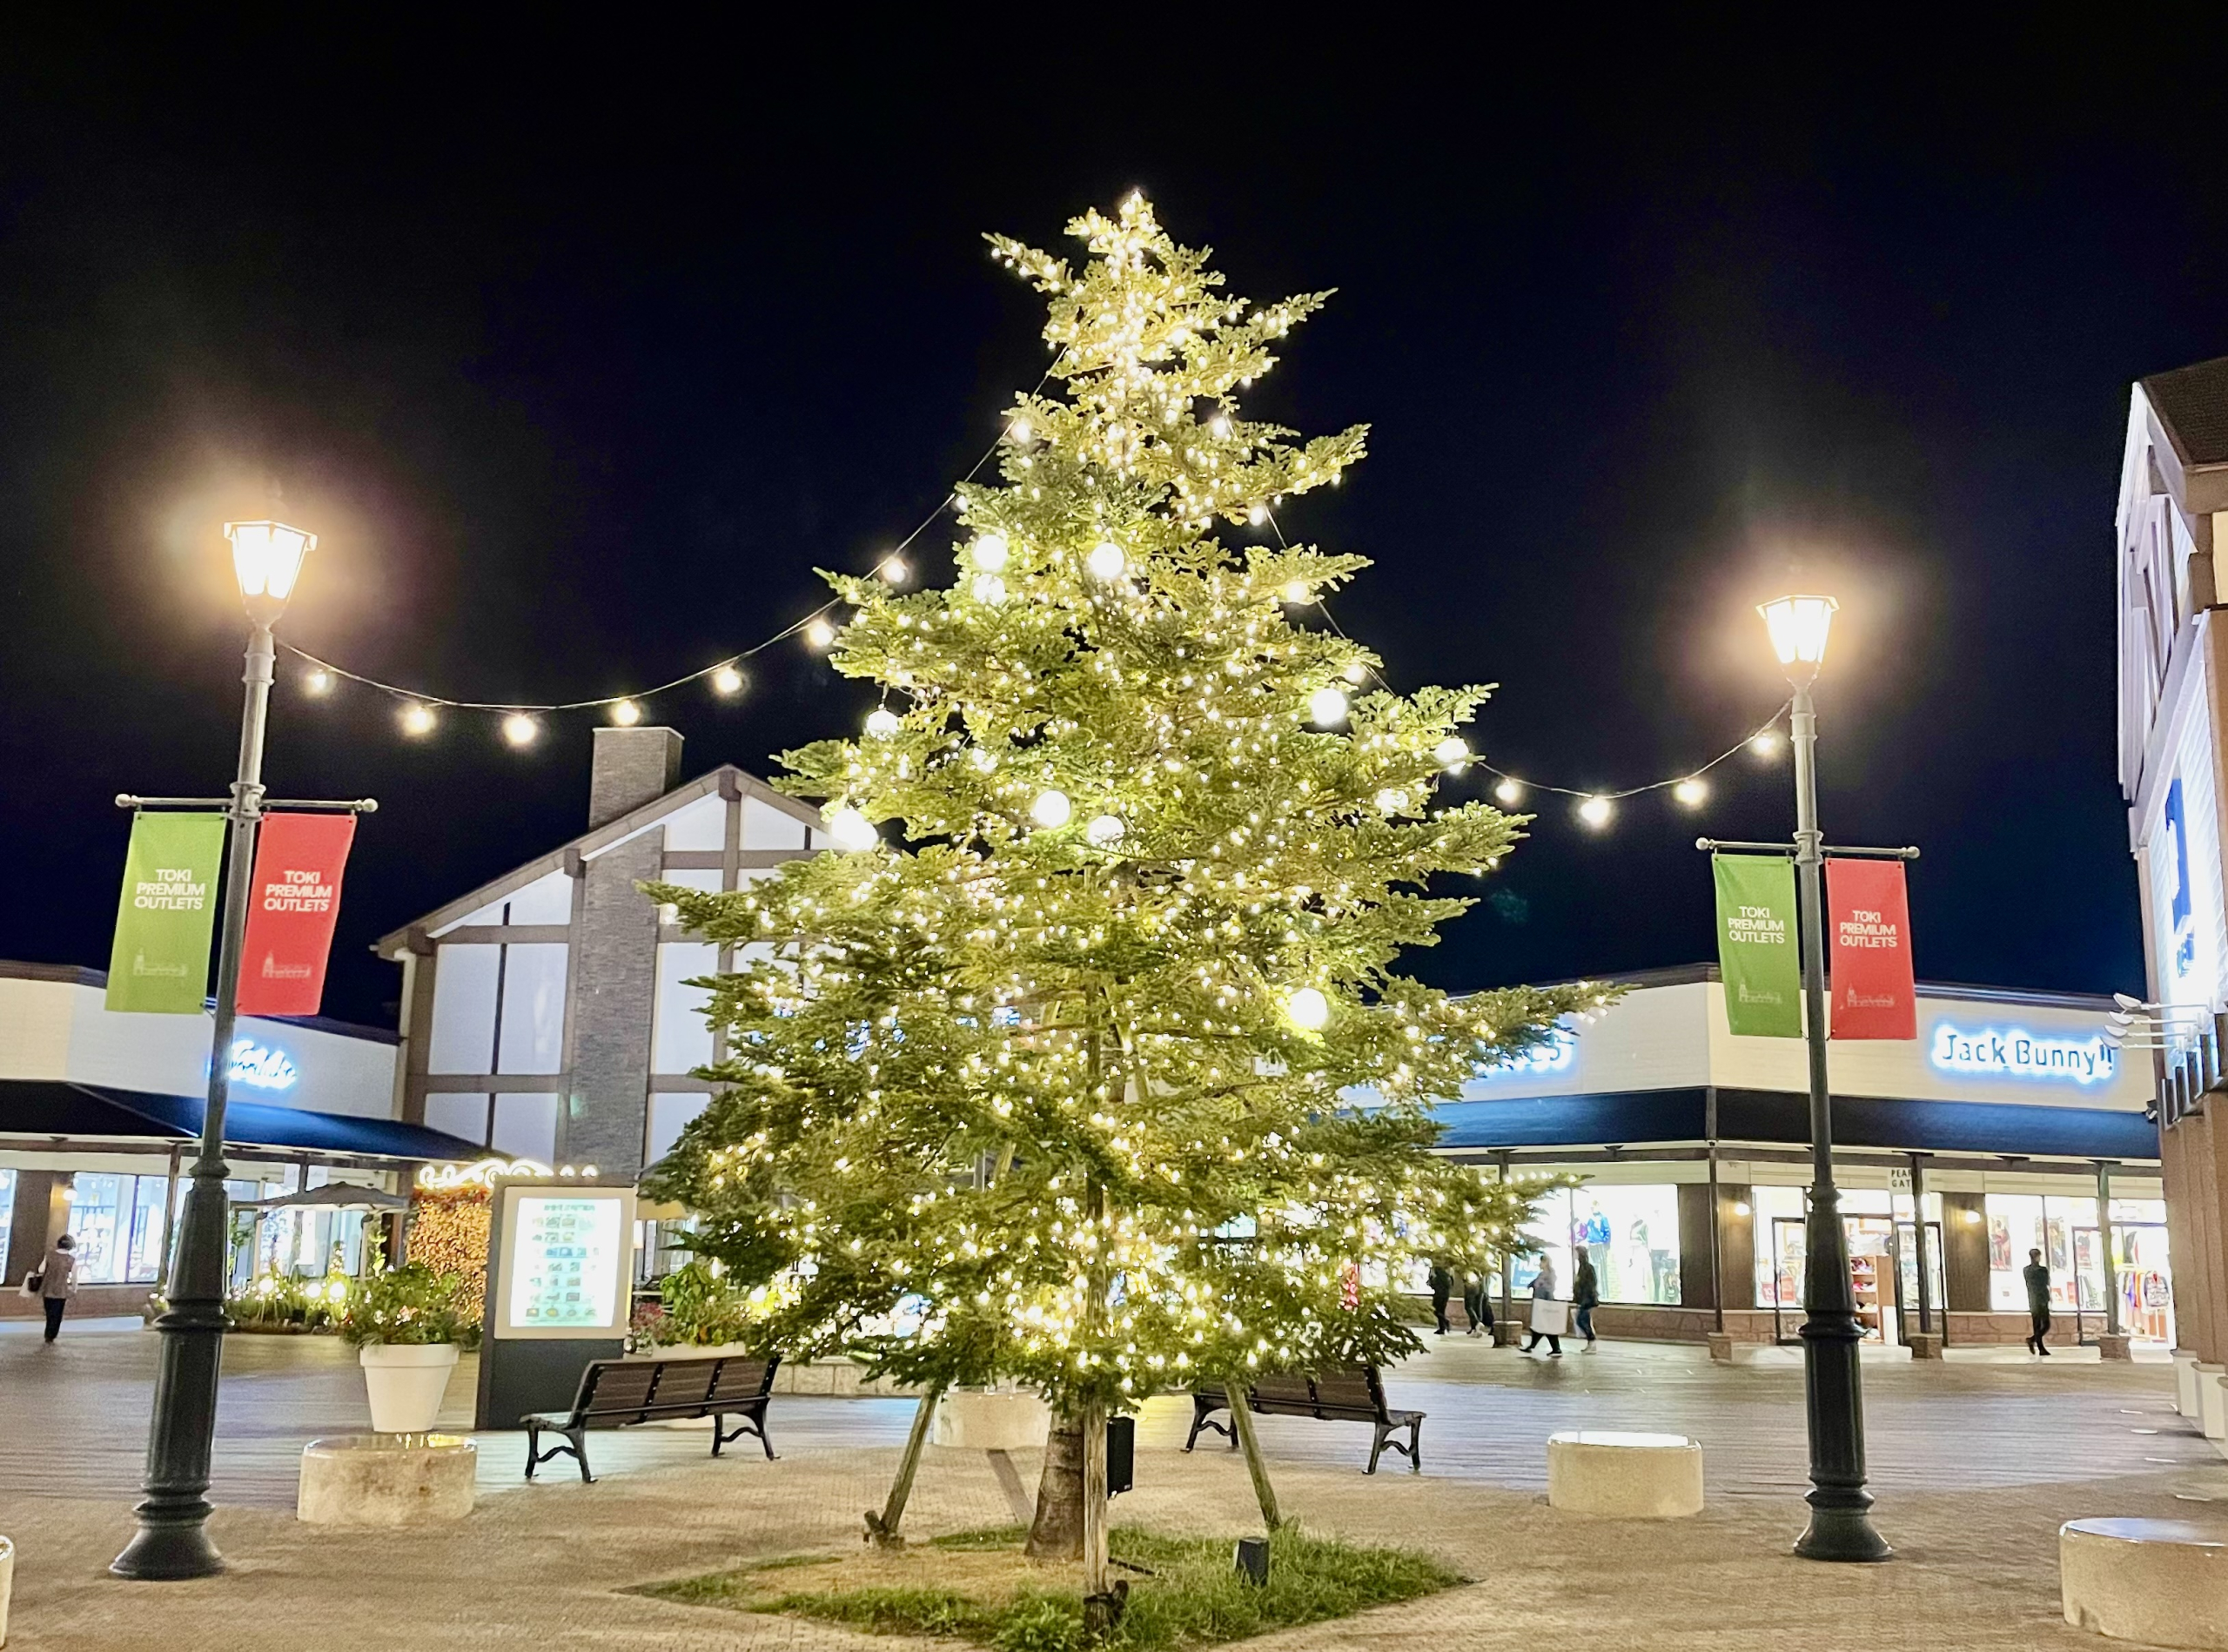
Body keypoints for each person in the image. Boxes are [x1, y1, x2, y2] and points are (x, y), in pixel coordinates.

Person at [35, 1233, 79, 1343]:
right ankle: (51, 1334)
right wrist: (74, 1288)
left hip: (47, 1288)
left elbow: (41, 1270)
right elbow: (74, 1276)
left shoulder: (49, 1256)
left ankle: (48, 1333)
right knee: (57, 1314)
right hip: (61, 1291)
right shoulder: (71, 1260)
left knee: (49, 1312)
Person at [1522, 1255, 1565, 1356]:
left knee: (1543, 1325)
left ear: (1546, 1263)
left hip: (1544, 1303)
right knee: (1542, 1325)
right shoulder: (1544, 1274)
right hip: (1541, 1303)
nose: (1540, 1264)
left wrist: (1546, 1301)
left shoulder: (1548, 1275)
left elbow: (1547, 1289)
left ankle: (1552, 1348)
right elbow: (1536, 1284)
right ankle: (1553, 1348)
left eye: (1542, 1262)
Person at [2023, 1247, 2053, 1355]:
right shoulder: (2042, 1270)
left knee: (2039, 1325)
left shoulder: (2027, 1270)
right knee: (2045, 1325)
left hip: (2034, 1299)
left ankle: (2033, 1341)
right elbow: (2046, 1282)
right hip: (2040, 1299)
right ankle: (2038, 1345)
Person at [1573, 1253, 1601, 1352]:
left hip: (1587, 1300)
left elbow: (1591, 1283)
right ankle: (1591, 1343)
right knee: (1584, 1321)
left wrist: (1585, 1297)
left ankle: (1592, 1341)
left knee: (1581, 1320)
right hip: (1583, 1299)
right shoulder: (1582, 1267)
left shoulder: (1588, 1267)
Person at [1463, 1268, 1494, 1338]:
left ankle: (1477, 1324)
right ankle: (1477, 1329)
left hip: (1472, 1285)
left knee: (1469, 1307)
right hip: (1481, 1286)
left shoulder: (1471, 1267)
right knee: (1478, 1308)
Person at [1426, 1259, 1454, 1335]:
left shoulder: (1434, 1271)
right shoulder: (1448, 1272)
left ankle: (1445, 1324)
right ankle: (1442, 1327)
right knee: (1441, 1310)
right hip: (1446, 1294)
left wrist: (1431, 1283)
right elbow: (1452, 1283)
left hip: (1438, 1293)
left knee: (1436, 1310)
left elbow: (1432, 1282)